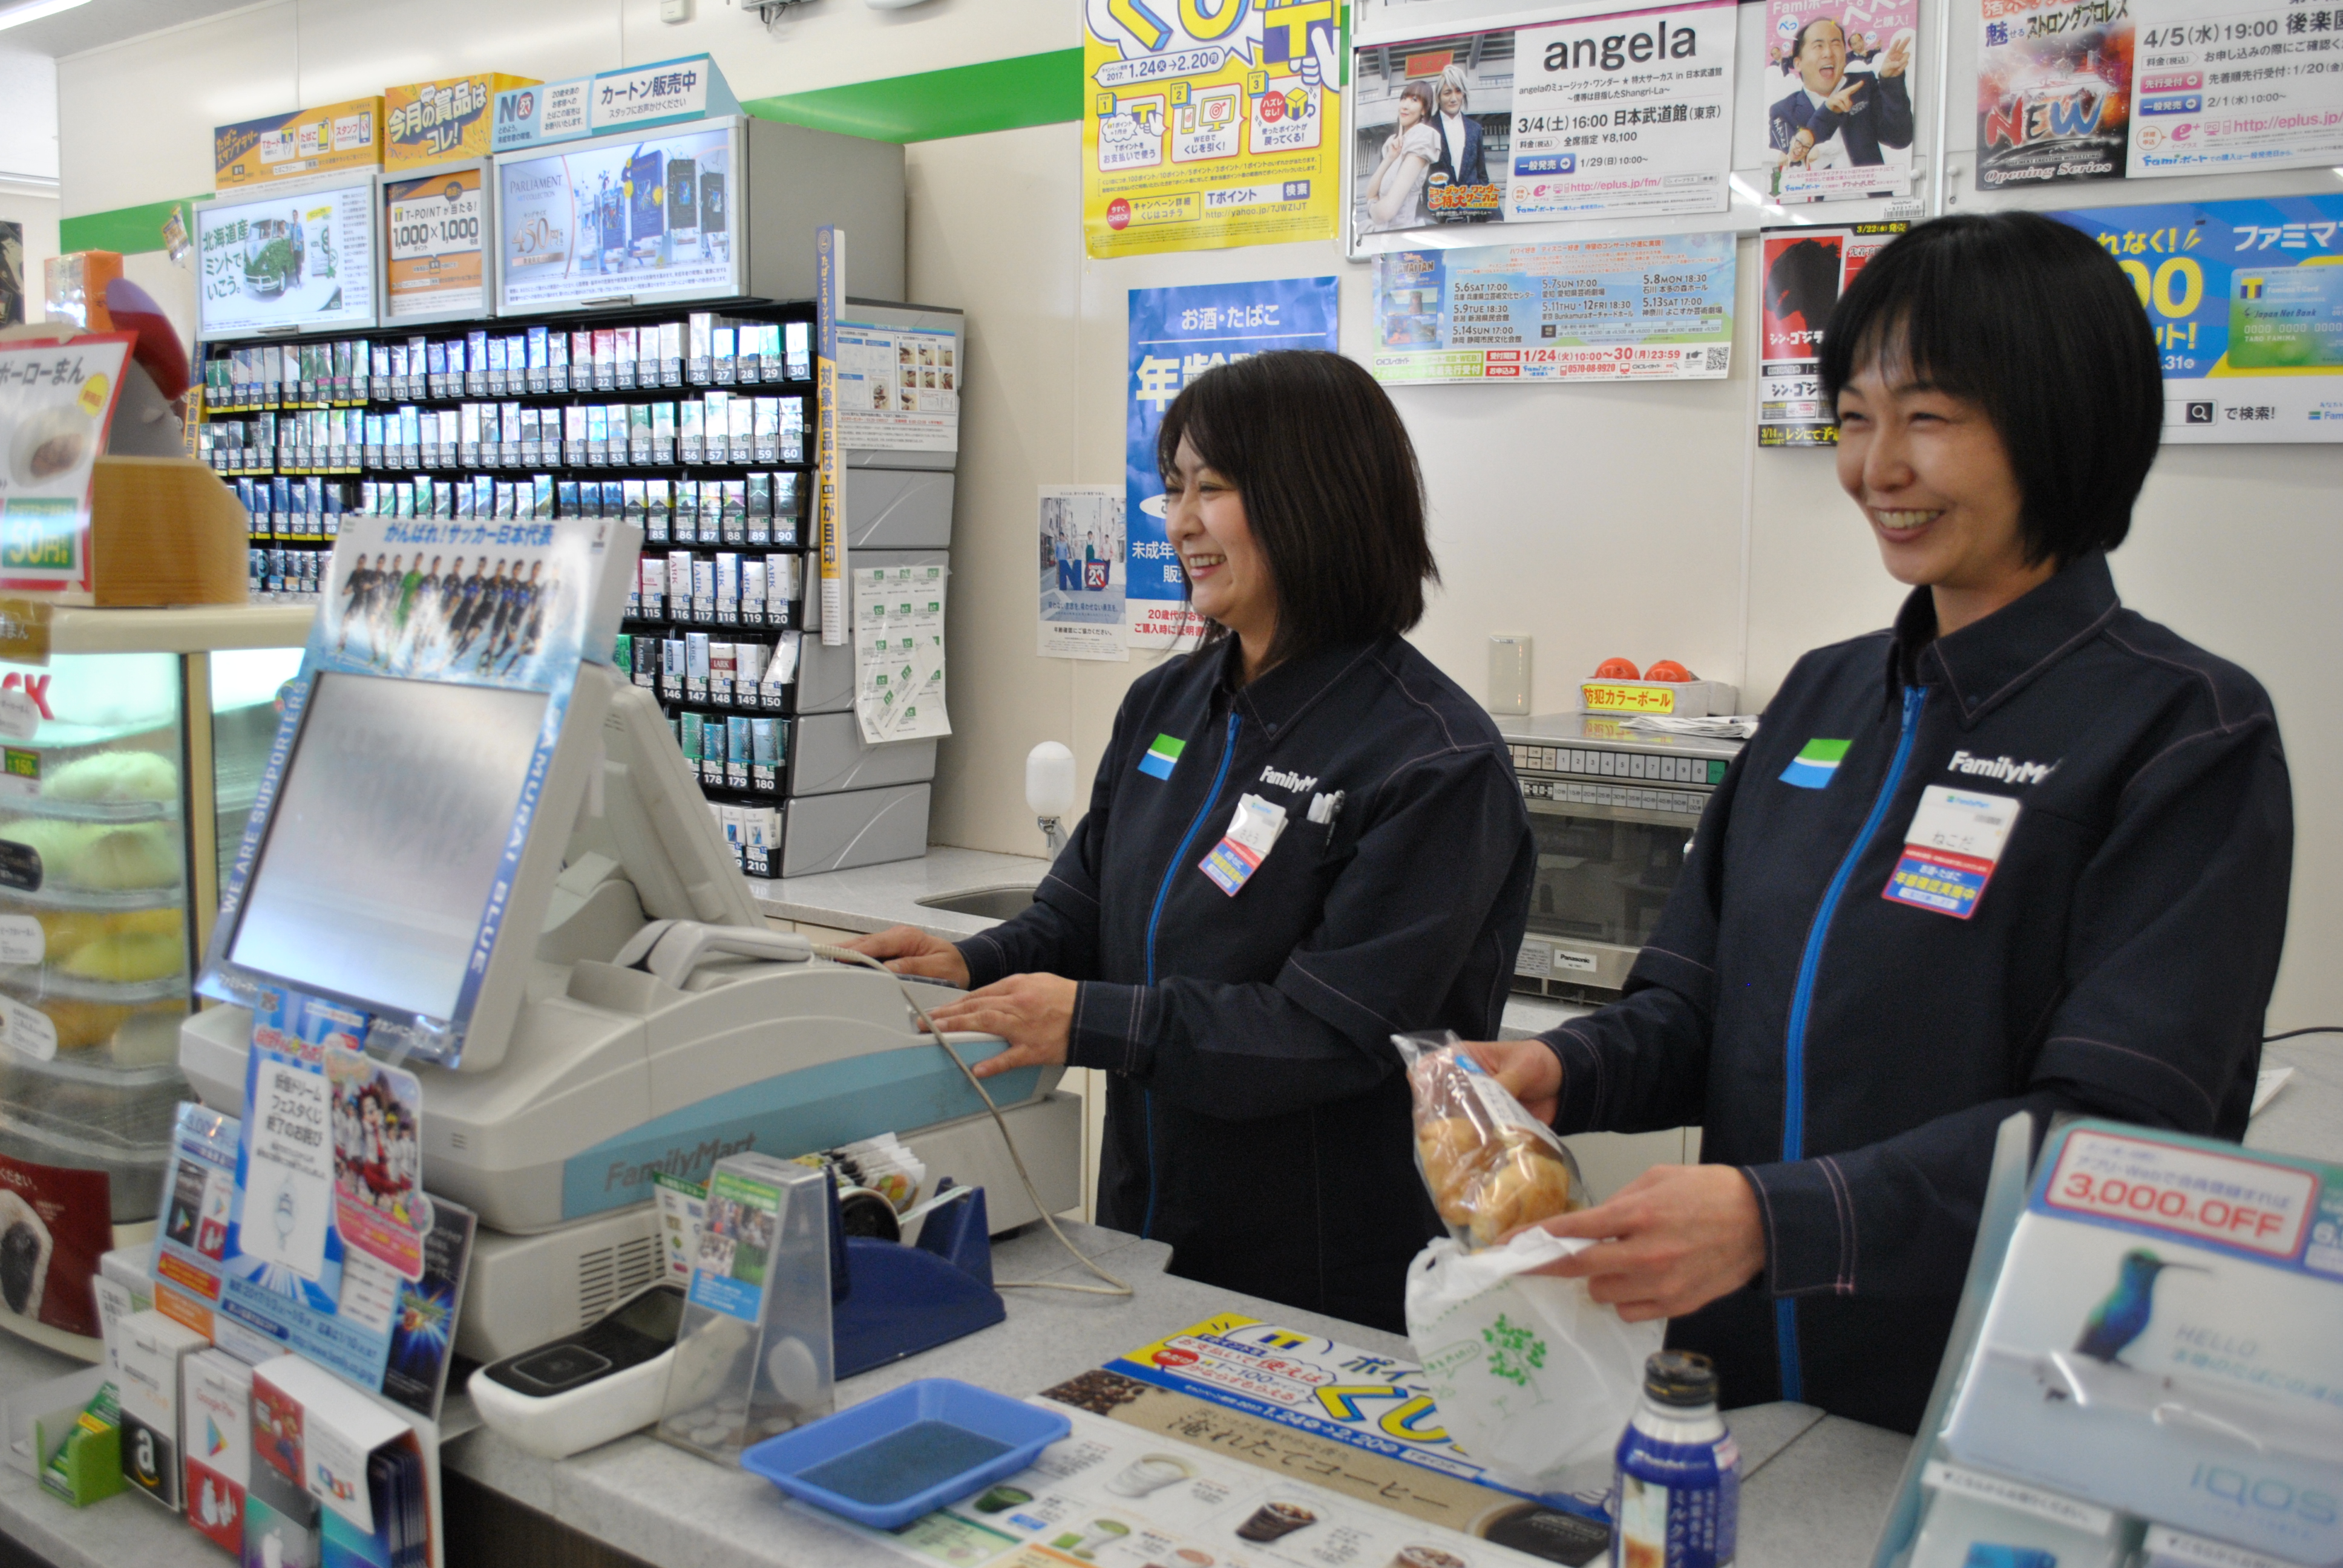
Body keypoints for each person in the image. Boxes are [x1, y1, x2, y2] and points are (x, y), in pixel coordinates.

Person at [1461, 213, 2293, 1432]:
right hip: (1738, 1394)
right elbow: (1692, 1012)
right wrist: (1558, 1068)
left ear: (2063, 421)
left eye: (1929, 418)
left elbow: (2114, 1137)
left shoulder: (2184, 733)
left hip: (2001, 1409)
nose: (1874, 468)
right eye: (1853, 417)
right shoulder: (1823, 696)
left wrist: (1773, 1219)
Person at [845, 351, 1536, 1332]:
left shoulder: (1432, 761)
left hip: (1330, 1276)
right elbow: (1079, 913)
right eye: (1173, 487)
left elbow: (1324, 1037)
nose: (1177, 522)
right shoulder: (1168, 705)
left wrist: (1089, 1021)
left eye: (1211, 489)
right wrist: (969, 960)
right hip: (1145, 1241)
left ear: (1315, 497)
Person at [1769, 17, 1913, 169]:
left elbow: (1900, 139)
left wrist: (1891, 82)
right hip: (1817, 192)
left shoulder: (1864, 85)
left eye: (1836, 44)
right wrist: (1828, 112)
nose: (1828, 53)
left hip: (1872, 190)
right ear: (1798, 63)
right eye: (1818, 46)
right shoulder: (1783, 111)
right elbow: (1790, 165)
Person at [1362, 80, 1441, 235]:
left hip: (1401, 236)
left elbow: (1386, 211)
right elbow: (1369, 193)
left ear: (1424, 110)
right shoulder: (1393, 142)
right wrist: (1390, 158)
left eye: (1414, 100)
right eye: (1404, 98)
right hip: (1379, 233)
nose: (1405, 105)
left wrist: (1372, 206)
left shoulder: (1422, 136)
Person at [1427, 65, 1490, 222]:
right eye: (1447, 93)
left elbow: (1482, 177)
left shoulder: (1475, 129)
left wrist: (1491, 215)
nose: (1454, 98)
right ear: (1438, 97)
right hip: (1437, 219)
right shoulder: (1427, 128)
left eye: (1458, 91)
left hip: (1473, 218)